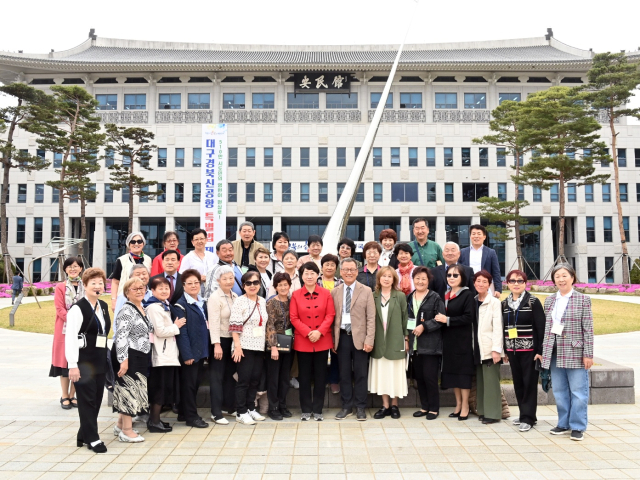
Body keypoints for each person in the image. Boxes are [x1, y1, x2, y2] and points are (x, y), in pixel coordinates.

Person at [540, 264, 594, 442]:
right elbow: (547, 328)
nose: (561, 279)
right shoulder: (549, 300)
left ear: (572, 277)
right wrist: (542, 351)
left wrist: (588, 354)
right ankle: (563, 423)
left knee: (578, 391)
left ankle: (578, 426)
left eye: (564, 276)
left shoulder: (583, 300)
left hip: (575, 351)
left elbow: (588, 329)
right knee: (560, 391)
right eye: (557, 276)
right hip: (553, 351)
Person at [66, 268, 111, 453]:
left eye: (100, 283)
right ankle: (92, 439)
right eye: (93, 283)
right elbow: (70, 338)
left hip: (99, 360)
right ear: (84, 285)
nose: (97, 286)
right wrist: (72, 366)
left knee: (97, 399)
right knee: (87, 401)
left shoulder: (104, 306)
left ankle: (83, 434)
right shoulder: (77, 309)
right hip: (83, 363)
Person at [290, 262, 336, 421]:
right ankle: (305, 409)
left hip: (322, 340)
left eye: (312, 273)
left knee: (320, 376)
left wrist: (319, 332)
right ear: (301, 276)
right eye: (306, 273)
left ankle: (318, 410)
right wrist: (308, 332)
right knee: (304, 377)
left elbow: (330, 315)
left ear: (318, 275)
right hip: (303, 341)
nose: (309, 276)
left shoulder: (326, 293)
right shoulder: (296, 295)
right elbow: (294, 318)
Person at [332, 258, 375, 421]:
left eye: (352, 269)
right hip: (342, 337)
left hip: (361, 338)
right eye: (345, 270)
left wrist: (369, 339)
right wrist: (333, 340)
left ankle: (361, 407)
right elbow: (332, 317)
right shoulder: (335, 291)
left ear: (357, 272)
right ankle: (346, 406)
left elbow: (371, 317)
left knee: (361, 374)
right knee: (344, 374)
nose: (349, 272)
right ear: (341, 272)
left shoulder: (366, 290)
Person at [502, 269, 545, 432]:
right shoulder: (504, 304)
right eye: (512, 281)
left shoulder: (532, 302)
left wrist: (539, 350)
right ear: (507, 283)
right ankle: (523, 414)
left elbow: (541, 328)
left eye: (520, 281)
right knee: (518, 383)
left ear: (525, 283)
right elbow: (503, 327)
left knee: (529, 384)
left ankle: (528, 418)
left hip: (530, 351)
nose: (516, 284)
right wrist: (504, 350)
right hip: (512, 352)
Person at [111, 276, 153, 443]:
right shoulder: (126, 310)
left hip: (139, 354)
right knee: (128, 391)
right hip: (129, 355)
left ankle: (120, 425)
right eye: (135, 289)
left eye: (142, 288)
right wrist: (123, 360)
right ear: (127, 292)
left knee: (132, 389)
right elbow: (121, 336)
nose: (139, 291)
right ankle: (126, 432)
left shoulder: (140, 307)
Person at [435, 264, 477, 421]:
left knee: (463, 375)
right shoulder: (446, 294)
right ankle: (458, 404)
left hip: (463, 340)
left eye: (455, 275)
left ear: (462, 278)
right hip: (448, 340)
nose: (451, 278)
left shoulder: (467, 294)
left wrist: (447, 320)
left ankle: (465, 405)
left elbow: (468, 317)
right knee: (452, 375)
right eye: (449, 275)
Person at [145, 276, 185, 433]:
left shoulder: (164, 306)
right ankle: (154, 422)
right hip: (161, 356)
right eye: (159, 288)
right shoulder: (154, 307)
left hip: (167, 354)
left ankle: (156, 420)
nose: (164, 291)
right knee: (159, 390)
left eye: (166, 288)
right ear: (152, 291)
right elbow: (160, 331)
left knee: (164, 388)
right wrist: (176, 326)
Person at [229, 270, 269, 425]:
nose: (252, 286)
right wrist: (237, 347)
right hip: (243, 345)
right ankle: (241, 411)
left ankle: (251, 408)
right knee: (243, 380)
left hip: (259, 346)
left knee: (254, 380)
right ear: (243, 285)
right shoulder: (240, 301)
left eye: (255, 282)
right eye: (248, 283)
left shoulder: (262, 301)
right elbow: (234, 325)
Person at [370, 266, 409, 419]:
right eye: (383, 276)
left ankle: (394, 405)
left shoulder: (399, 296)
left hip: (396, 340)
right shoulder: (373, 296)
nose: (386, 279)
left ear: (394, 279)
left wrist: (406, 338)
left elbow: (405, 318)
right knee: (382, 373)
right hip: (378, 341)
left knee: (395, 373)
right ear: (379, 279)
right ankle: (385, 405)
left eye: (389, 276)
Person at [407, 267, 445, 420]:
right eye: (417, 278)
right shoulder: (409, 297)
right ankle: (424, 407)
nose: (420, 281)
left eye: (423, 279)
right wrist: (407, 339)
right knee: (419, 379)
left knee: (430, 378)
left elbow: (440, 319)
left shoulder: (435, 297)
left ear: (428, 281)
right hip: (415, 345)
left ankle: (434, 409)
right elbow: (408, 321)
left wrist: (425, 326)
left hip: (430, 345)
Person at [174, 269, 210, 428]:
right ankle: (191, 417)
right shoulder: (180, 305)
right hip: (190, 354)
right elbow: (182, 333)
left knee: (194, 383)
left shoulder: (202, 302)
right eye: (190, 283)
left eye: (197, 282)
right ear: (183, 285)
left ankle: (183, 412)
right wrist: (187, 355)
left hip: (201, 351)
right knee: (189, 385)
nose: (194, 285)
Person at [51, 257, 84, 409]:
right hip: (64, 329)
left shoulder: (86, 285)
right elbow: (59, 308)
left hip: (82, 328)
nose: (73, 269)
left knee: (79, 361)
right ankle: (64, 395)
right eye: (69, 266)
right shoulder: (60, 287)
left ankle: (73, 395)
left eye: (76, 266)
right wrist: (72, 321)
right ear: (65, 269)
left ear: (81, 268)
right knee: (65, 363)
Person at [207, 266, 238, 425]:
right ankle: (216, 412)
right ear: (218, 281)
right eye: (224, 279)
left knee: (229, 375)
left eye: (231, 278)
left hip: (232, 341)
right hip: (219, 340)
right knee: (216, 377)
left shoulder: (234, 296)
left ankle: (227, 407)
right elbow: (213, 323)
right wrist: (216, 345)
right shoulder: (214, 298)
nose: (228, 281)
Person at [474, 270, 504, 425]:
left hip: (489, 346)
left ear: (489, 284)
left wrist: (496, 349)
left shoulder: (494, 302)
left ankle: (493, 413)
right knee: (481, 381)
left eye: (484, 281)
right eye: (478, 281)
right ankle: (483, 410)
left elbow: (498, 327)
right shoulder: (473, 300)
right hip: (477, 347)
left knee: (491, 381)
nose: (481, 284)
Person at [265, 272, 294, 420]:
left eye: (285, 284)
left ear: (289, 285)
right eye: (280, 285)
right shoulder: (271, 302)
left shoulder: (292, 300)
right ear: (275, 287)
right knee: (273, 378)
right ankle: (273, 407)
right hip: (275, 345)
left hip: (289, 344)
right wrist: (273, 346)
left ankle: (283, 405)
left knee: (284, 378)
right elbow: (269, 325)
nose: (283, 287)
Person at [317, 253, 343, 394]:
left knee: (335, 352)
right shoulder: (315, 282)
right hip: (318, 323)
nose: (329, 267)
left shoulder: (340, 283)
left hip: (336, 322)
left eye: (332, 264)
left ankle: (334, 380)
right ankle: (319, 380)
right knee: (320, 354)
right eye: (326, 264)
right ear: (322, 267)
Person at [110, 231, 152, 311]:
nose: (136, 244)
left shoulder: (148, 259)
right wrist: (114, 300)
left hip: (143, 298)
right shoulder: (121, 260)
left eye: (139, 241)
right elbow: (115, 282)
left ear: (143, 243)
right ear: (129, 244)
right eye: (133, 242)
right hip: (125, 297)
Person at [459, 225, 503, 299]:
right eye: (473, 234)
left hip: (484, 286)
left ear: (484, 237)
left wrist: (498, 289)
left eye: (479, 234)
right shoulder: (463, 252)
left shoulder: (491, 252)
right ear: (470, 236)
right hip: (467, 286)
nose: (476, 236)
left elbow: (496, 272)